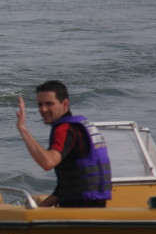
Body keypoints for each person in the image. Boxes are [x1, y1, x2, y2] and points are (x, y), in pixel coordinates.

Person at [16, 80, 112, 208]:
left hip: (78, 210)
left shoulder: (64, 129)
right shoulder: (83, 126)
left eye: (49, 104)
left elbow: (48, 162)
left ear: (65, 103)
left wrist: (22, 128)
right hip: (97, 206)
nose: (43, 109)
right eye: (40, 104)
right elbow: (65, 187)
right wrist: (39, 210)